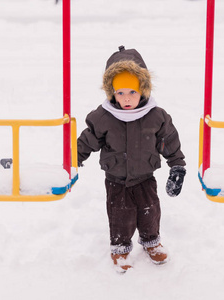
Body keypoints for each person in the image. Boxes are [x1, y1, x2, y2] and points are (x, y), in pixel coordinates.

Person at [77, 45, 186, 273]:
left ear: (143, 90)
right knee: (120, 216)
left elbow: (169, 142)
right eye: (120, 93)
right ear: (112, 93)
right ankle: (120, 248)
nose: (126, 99)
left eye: (132, 92)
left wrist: (177, 166)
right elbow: (87, 141)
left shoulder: (156, 116)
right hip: (116, 179)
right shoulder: (104, 117)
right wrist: (71, 160)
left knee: (150, 212)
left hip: (145, 177)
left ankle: (151, 242)